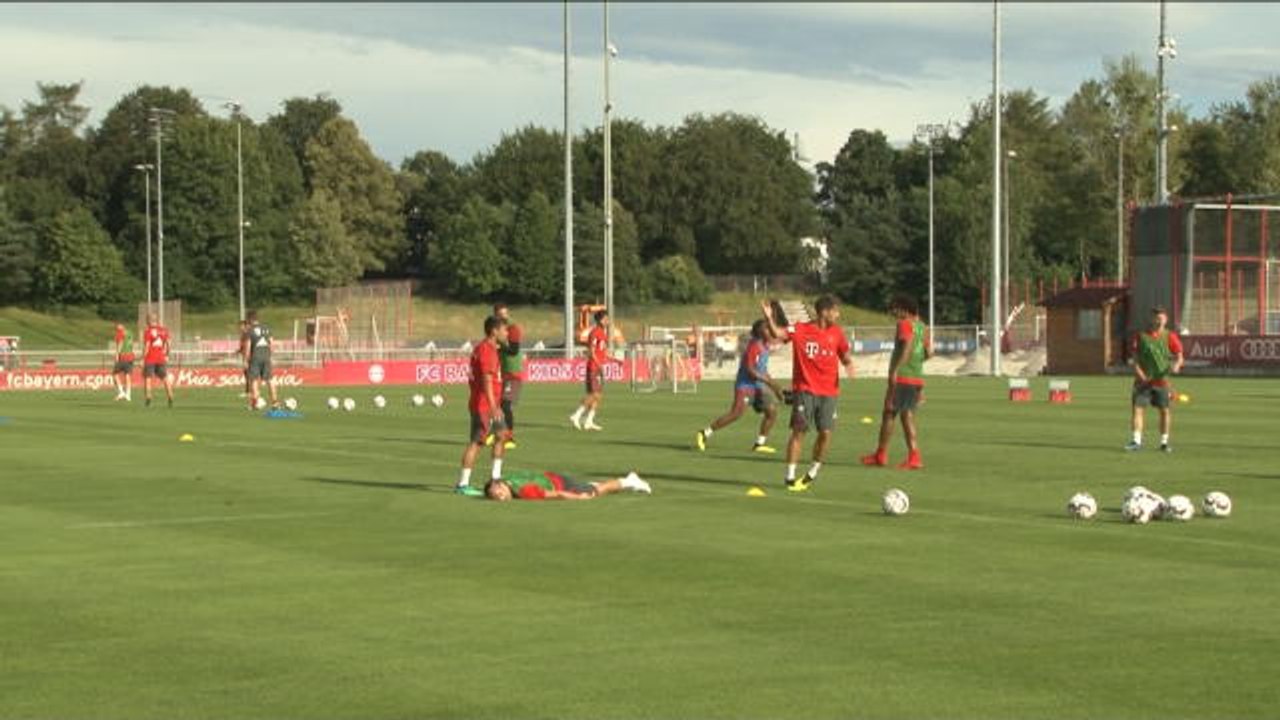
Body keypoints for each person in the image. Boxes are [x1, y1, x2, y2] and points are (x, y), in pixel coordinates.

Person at [762, 296, 855, 492]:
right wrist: (769, 317)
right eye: (835, 311)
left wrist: (848, 364)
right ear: (824, 312)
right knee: (799, 432)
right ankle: (790, 477)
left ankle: (813, 471)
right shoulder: (800, 329)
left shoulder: (837, 332)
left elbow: (844, 353)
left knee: (826, 433)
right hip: (805, 390)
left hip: (830, 392)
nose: (838, 315)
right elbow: (777, 333)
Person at [862, 294, 932, 469]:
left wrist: (896, 369)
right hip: (916, 375)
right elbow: (929, 353)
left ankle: (912, 456)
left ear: (903, 309)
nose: (893, 313)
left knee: (902, 415)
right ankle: (881, 454)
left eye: (894, 309)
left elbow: (907, 346)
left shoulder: (904, 324)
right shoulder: (922, 326)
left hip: (902, 376)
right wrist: (916, 364)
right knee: (892, 413)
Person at [696, 319, 785, 454]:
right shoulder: (754, 346)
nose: (770, 331)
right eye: (767, 328)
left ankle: (759, 444)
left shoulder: (765, 346)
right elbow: (750, 370)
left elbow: (762, 369)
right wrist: (771, 384)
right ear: (760, 332)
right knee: (736, 414)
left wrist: (774, 387)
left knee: (771, 412)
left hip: (759, 386)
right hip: (745, 386)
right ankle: (704, 433)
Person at [456, 315, 510, 496]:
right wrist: (493, 406)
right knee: (477, 442)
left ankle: (496, 477)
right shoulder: (487, 350)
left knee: (502, 435)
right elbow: (487, 381)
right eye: (504, 330)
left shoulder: (487, 348)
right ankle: (463, 485)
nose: (507, 333)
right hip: (484, 405)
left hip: (491, 404)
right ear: (494, 331)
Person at [1126, 305, 1184, 452]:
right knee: (1138, 409)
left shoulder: (1170, 336)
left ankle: (1164, 443)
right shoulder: (1141, 336)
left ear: (1166, 320)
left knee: (1165, 411)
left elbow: (1179, 356)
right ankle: (1136, 441)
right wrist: (1139, 373)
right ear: (1151, 319)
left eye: (1161, 318)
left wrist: (1177, 365)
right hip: (1143, 382)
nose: (1159, 321)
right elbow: (1134, 359)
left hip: (1162, 382)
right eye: (1156, 318)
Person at [483, 469, 651, 501]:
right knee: (587, 486)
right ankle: (586, 485)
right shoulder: (507, 479)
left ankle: (630, 481)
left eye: (500, 494)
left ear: (501, 485)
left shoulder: (525, 491)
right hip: (551, 476)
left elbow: (558, 494)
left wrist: (579, 498)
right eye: (496, 496)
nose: (501, 498)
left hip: (560, 484)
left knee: (595, 491)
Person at [569, 309, 610, 431]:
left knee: (598, 396)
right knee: (593, 394)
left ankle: (588, 421)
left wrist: (615, 360)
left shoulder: (603, 333)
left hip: (598, 367)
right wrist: (599, 364)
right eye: (606, 319)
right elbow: (591, 352)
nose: (607, 321)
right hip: (593, 367)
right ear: (600, 320)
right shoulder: (595, 332)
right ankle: (576, 415)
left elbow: (602, 352)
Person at [490, 303, 523, 450]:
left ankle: (509, 437)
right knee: (496, 405)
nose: (504, 317)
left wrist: (500, 345)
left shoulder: (513, 328)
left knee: (505, 404)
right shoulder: (494, 331)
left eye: (505, 314)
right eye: (500, 314)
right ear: (495, 315)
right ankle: (496, 433)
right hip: (501, 373)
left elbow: (514, 350)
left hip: (513, 373)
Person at [241, 310, 280, 411]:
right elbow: (272, 344)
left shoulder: (249, 331)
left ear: (250, 319)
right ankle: (275, 402)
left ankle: (255, 402)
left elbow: (248, 347)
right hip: (266, 357)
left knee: (254, 380)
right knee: (270, 380)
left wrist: (245, 360)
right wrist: (270, 356)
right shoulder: (266, 329)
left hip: (255, 358)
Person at [141, 313, 175, 408]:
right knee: (165, 378)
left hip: (150, 358)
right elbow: (169, 344)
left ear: (149, 320)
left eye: (147, 320)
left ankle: (148, 398)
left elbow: (147, 346)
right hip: (161, 358)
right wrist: (167, 354)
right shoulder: (164, 330)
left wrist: (143, 358)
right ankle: (170, 396)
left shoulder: (148, 331)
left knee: (148, 378)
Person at [111, 323, 136, 402]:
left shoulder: (120, 334)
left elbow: (120, 343)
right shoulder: (130, 333)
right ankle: (128, 395)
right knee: (127, 375)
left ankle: (121, 392)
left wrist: (117, 354)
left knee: (115, 374)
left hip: (123, 356)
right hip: (130, 356)